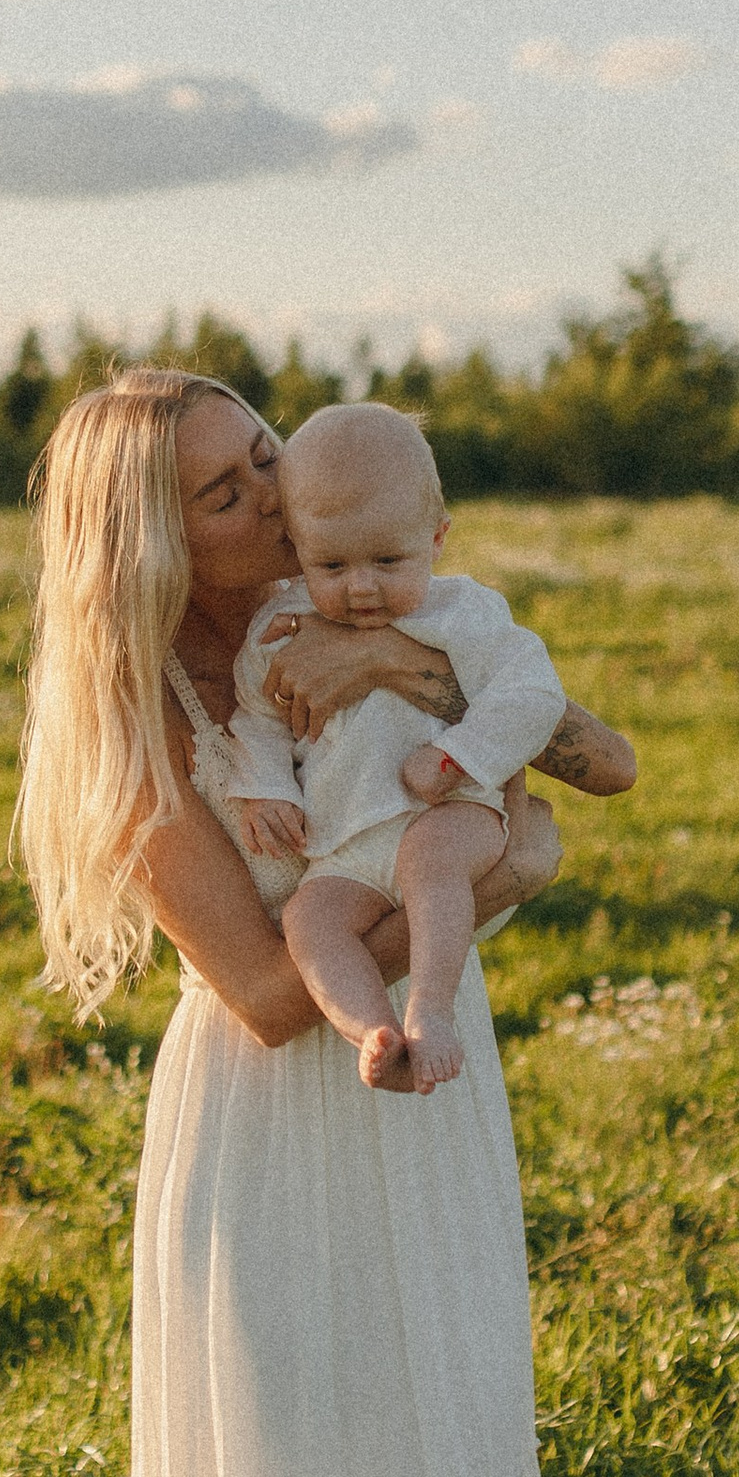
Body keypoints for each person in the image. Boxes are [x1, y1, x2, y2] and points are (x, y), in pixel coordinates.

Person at [14, 367, 635, 1477]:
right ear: (143, 544)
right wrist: (476, 861)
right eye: (223, 494)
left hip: (428, 1112)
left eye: (268, 459)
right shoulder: (141, 729)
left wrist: (412, 709)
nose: (274, 503)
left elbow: (573, 773)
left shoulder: (361, 617)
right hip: (284, 1131)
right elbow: (276, 992)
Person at [226, 401, 571, 1094]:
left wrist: (459, 758)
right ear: (295, 546)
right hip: (346, 840)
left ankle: (431, 1010)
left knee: (428, 861)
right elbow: (256, 715)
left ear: (437, 537)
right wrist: (268, 785)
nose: (361, 586)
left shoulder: (463, 613)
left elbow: (532, 694)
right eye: (333, 563)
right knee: (310, 917)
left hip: (450, 815)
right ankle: (372, 1031)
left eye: (388, 559)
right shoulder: (279, 629)